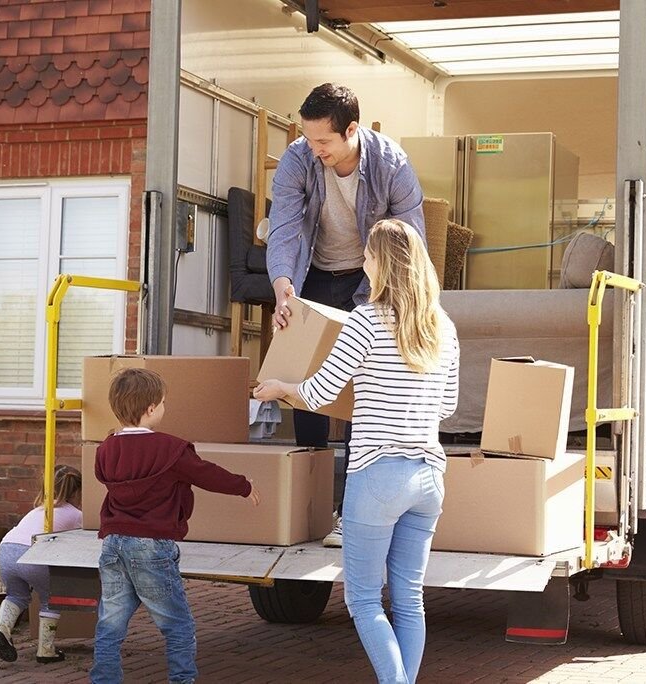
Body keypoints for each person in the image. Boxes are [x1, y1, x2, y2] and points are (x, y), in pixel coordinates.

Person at [255, 219, 459, 684]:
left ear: (381, 264)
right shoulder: (443, 327)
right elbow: (447, 405)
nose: (362, 262)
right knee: (408, 598)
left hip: (376, 474)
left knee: (364, 600)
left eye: (367, 255)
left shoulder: (365, 321)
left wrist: (280, 388)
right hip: (428, 475)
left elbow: (321, 391)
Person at [267, 82, 426, 547]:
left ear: (351, 130)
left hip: (371, 281)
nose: (313, 149)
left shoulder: (391, 164)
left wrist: (387, 303)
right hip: (312, 276)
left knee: (363, 390)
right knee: (307, 384)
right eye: (308, 138)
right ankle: (312, 508)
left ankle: (351, 513)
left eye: (323, 142)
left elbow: (408, 241)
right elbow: (284, 227)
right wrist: (283, 287)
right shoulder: (299, 158)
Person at [90, 368, 261, 684]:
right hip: (152, 546)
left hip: (113, 544)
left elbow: (106, 477)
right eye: (164, 402)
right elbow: (206, 474)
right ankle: (182, 680)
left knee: (110, 625)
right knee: (178, 625)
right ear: (151, 408)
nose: (164, 408)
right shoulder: (171, 450)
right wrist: (243, 486)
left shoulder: (106, 448)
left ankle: (103, 680)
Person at [0, 464, 83, 664]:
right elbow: (79, 543)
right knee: (51, 598)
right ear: (77, 491)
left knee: (16, 595)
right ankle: (45, 650)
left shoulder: (38, 510)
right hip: (33, 554)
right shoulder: (76, 515)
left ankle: (2, 630)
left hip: (6, 550)